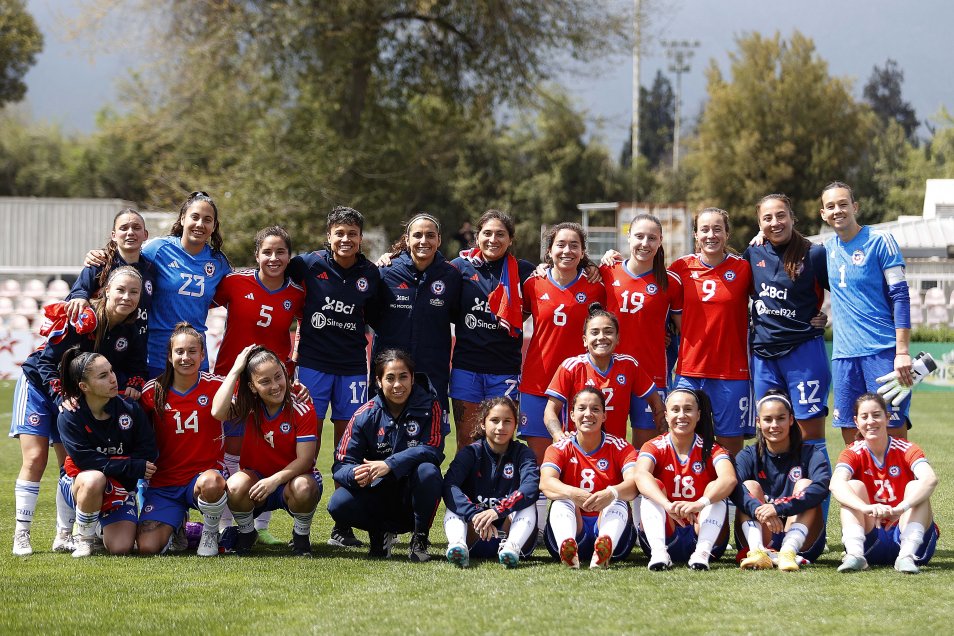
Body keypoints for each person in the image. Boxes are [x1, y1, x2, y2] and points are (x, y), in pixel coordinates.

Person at [10, 266, 147, 556]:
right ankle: (21, 534)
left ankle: (64, 535)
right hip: (40, 385)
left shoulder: (132, 328)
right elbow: (47, 363)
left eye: (133, 292)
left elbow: (134, 366)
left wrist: (134, 383)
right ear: (107, 290)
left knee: (70, 465)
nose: (127, 297)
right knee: (35, 459)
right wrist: (59, 394)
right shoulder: (83, 318)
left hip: (73, 393)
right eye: (120, 290)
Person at [287, 205, 381, 549]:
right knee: (305, 446)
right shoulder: (307, 265)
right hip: (312, 366)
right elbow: (273, 273)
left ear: (360, 239)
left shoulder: (371, 274)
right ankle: (301, 527)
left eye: (352, 234)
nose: (345, 239)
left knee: (348, 448)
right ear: (329, 236)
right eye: (339, 233)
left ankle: (342, 524)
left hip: (354, 369)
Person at [211, 225, 304, 544]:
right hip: (231, 378)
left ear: (289, 256)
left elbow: (305, 325)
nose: (274, 258)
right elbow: (204, 303)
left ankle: (260, 525)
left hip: (272, 385)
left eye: (280, 252)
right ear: (257, 255)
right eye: (267, 251)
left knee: (267, 448)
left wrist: (293, 358)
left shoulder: (297, 293)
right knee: (232, 450)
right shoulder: (234, 282)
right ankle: (229, 522)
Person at [327, 349, 444, 562]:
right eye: (390, 378)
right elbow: (340, 465)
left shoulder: (430, 406)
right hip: (378, 494)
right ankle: (379, 533)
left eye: (403, 377)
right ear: (379, 381)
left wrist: (389, 464)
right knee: (338, 503)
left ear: (412, 377)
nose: (397, 385)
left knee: (428, 471)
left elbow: (433, 450)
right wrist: (356, 474)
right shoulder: (364, 414)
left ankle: (419, 538)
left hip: (411, 496)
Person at [820, 182, 913, 445]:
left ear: (855, 207)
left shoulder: (880, 240)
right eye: (831, 206)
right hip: (844, 357)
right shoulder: (825, 250)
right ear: (823, 214)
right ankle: (862, 487)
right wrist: (761, 234)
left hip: (882, 352)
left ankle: (898, 484)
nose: (837, 210)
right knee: (852, 435)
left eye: (842, 204)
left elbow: (901, 296)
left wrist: (902, 351)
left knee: (892, 429)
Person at [212, 345, 321, 556]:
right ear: (252, 387)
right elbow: (218, 411)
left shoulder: (301, 405)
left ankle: (301, 536)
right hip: (258, 480)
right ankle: (246, 533)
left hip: (292, 480)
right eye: (264, 381)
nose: (275, 386)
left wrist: (274, 481)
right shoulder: (249, 405)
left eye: (278, 376)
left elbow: (306, 460)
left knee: (304, 487)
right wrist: (235, 370)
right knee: (234, 485)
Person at [744, 194, 830, 446]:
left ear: (793, 218)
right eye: (767, 218)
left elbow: (846, 293)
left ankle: (815, 486)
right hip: (763, 356)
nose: (775, 222)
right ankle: (778, 486)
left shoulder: (814, 254)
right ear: (759, 224)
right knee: (770, 432)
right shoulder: (753, 252)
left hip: (804, 353)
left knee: (809, 433)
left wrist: (828, 319)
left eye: (781, 215)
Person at [137, 323, 228, 557]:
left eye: (192, 351)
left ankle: (209, 532)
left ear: (202, 355)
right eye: (179, 352)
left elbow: (256, 394)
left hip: (201, 480)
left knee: (213, 482)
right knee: (147, 547)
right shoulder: (152, 392)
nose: (185, 357)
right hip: (164, 485)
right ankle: (183, 527)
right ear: (169, 356)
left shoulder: (218, 386)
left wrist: (295, 389)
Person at [56, 347, 158, 557]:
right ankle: (84, 537)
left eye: (111, 371)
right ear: (84, 386)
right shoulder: (70, 415)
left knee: (121, 547)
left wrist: (131, 468)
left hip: (121, 487)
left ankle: (98, 525)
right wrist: (131, 466)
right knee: (94, 479)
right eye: (103, 376)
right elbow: (86, 461)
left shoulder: (130, 408)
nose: (113, 379)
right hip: (80, 483)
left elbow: (148, 450)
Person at [668, 208, 753, 456]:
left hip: (732, 372)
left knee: (730, 445)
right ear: (695, 234)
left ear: (727, 234)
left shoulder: (744, 269)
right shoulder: (680, 267)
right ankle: (690, 491)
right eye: (704, 229)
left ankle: (732, 494)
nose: (711, 235)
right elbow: (650, 287)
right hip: (689, 371)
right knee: (683, 437)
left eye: (717, 229)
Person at [450, 209, 536, 451]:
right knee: (467, 441)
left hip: (504, 370)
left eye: (500, 234)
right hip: (466, 368)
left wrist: (590, 267)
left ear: (510, 239)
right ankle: (464, 489)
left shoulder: (525, 271)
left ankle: (500, 488)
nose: (493, 239)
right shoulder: (459, 267)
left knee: (501, 439)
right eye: (487, 233)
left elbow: (552, 282)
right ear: (477, 237)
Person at [370, 213, 461, 436]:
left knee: (430, 444)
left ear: (439, 240)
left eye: (430, 235)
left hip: (432, 374)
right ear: (407, 239)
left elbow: (458, 315)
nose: (423, 241)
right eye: (417, 235)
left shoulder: (451, 276)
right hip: (390, 375)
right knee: (383, 438)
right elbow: (369, 315)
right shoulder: (385, 271)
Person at [830, 393, 939, 574]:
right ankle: (855, 555)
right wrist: (865, 508)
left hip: (906, 533)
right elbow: (835, 484)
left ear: (887, 418)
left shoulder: (906, 448)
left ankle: (906, 557)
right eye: (864, 417)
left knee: (915, 486)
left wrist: (901, 508)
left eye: (876, 415)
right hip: (872, 538)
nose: (871, 421)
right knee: (853, 486)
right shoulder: (852, 452)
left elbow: (930, 479)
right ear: (857, 422)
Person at [599, 214, 682, 448]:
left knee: (646, 451)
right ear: (628, 238)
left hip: (652, 373)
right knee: (609, 446)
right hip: (609, 372)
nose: (645, 243)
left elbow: (685, 328)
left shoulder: (670, 282)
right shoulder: (607, 271)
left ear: (660, 241)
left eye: (652, 238)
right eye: (639, 236)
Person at [635, 388, 737, 571]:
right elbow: (640, 475)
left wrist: (699, 504)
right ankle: (659, 553)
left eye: (688, 409)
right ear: (666, 415)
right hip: (667, 529)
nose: (681, 415)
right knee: (653, 486)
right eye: (675, 410)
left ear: (698, 415)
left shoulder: (712, 449)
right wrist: (667, 505)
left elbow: (729, 479)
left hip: (704, 531)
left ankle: (702, 554)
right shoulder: (653, 446)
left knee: (716, 487)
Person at [539, 388, 638, 569]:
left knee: (618, 500)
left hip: (613, 534)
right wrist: (572, 492)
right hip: (575, 524)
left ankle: (605, 546)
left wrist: (610, 493)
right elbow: (545, 482)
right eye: (582, 408)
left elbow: (634, 484)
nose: (588, 414)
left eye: (595, 409)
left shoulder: (620, 447)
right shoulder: (559, 447)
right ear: (572, 415)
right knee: (562, 500)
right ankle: (567, 545)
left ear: (604, 416)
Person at [733, 390, 830, 572]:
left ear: (791, 420)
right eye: (768, 419)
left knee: (805, 485)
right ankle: (757, 551)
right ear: (758, 422)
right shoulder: (748, 455)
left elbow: (822, 487)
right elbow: (735, 489)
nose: (774, 425)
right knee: (749, 486)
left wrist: (778, 508)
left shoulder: (810, 454)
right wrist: (760, 510)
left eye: (781, 418)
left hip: (803, 537)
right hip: (763, 531)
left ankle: (788, 551)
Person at [543, 302, 662, 442]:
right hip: (578, 448)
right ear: (585, 340)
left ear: (618, 338)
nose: (601, 337)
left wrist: (665, 431)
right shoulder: (571, 367)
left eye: (608, 331)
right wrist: (559, 436)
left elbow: (656, 402)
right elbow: (550, 411)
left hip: (616, 451)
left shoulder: (629, 365)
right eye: (594, 332)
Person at [443, 396, 539, 568]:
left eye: (507, 421)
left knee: (528, 504)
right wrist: (473, 514)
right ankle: (458, 546)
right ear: (482, 423)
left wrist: (497, 511)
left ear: (515, 425)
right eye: (494, 421)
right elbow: (449, 485)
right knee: (453, 505)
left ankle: (512, 549)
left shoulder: (523, 454)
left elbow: (531, 488)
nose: (501, 427)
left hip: (508, 528)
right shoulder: (470, 453)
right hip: (475, 529)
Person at [65, 207, 154, 336]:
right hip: (97, 343)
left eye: (136, 228)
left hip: (134, 345)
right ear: (114, 235)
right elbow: (79, 292)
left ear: (145, 235)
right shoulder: (99, 263)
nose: (130, 232)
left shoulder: (151, 270)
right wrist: (79, 298)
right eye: (124, 228)